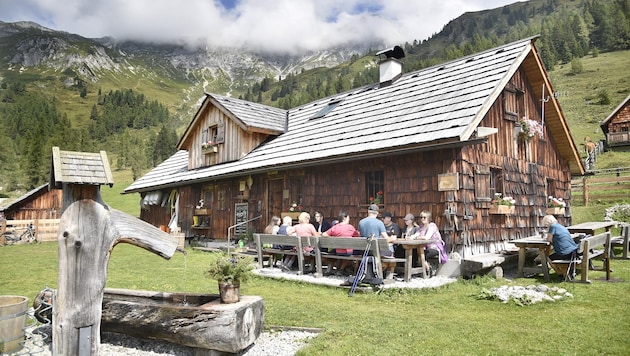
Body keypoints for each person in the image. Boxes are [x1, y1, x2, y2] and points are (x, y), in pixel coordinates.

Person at [416, 210, 448, 276]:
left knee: (422, 254)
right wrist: (411, 237)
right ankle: (426, 268)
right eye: (421, 217)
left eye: (424, 217)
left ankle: (428, 269)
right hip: (424, 247)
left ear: (428, 218)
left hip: (435, 248)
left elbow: (427, 237)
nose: (422, 219)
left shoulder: (432, 226)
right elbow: (416, 234)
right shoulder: (421, 227)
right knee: (416, 252)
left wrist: (417, 238)